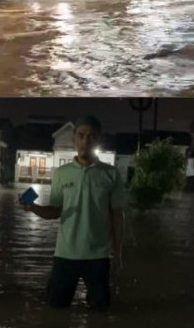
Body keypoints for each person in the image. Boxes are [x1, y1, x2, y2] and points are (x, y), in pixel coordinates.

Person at [18, 116, 125, 311]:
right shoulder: (61, 173)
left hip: (98, 257)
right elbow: (55, 211)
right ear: (74, 139)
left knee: (100, 314)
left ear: (98, 140)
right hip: (65, 255)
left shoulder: (111, 174)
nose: (85, 141)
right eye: (81, 136)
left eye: (91, 137)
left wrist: (118, 254)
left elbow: (117, 216)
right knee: (55, 311)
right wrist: (32, 207)